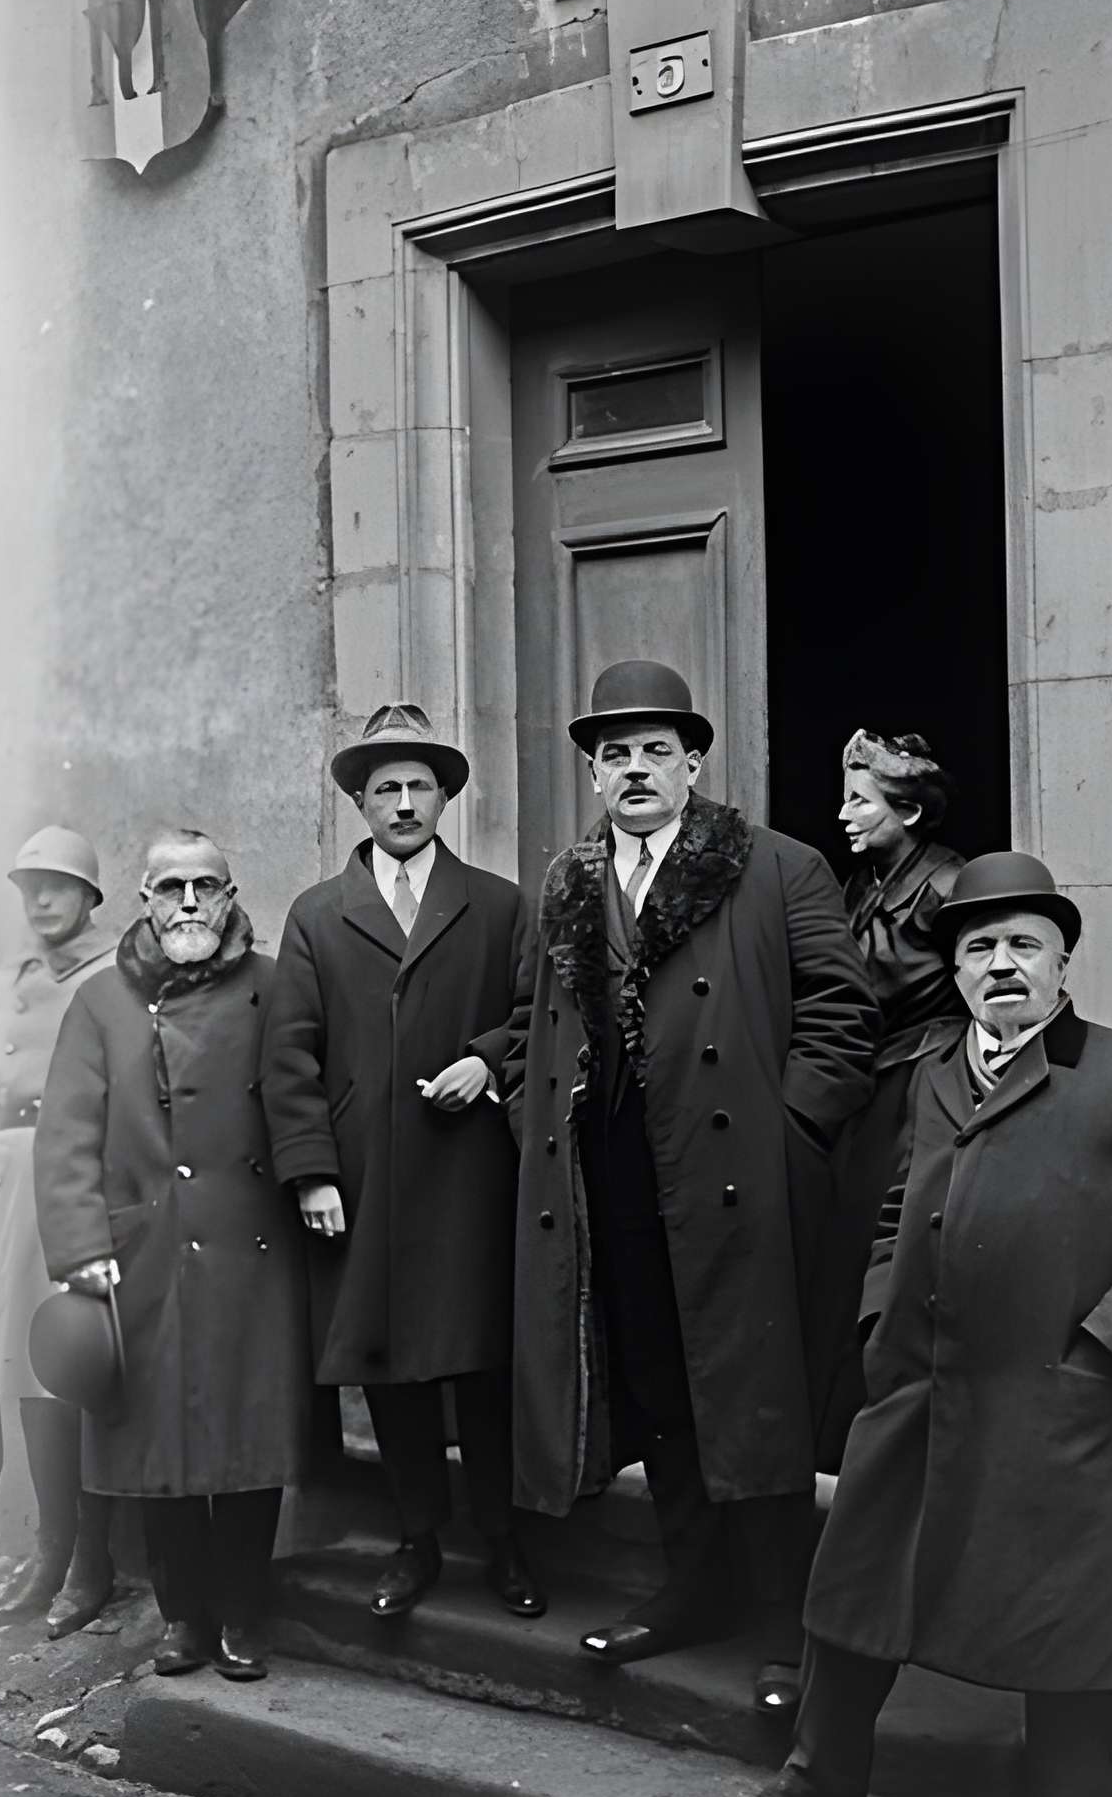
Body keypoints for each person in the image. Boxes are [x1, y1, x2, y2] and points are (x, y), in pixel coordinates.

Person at [711, 853, 1112, 1797]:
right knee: (853, 1598)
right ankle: (817, 1782)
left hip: (1063, 1410)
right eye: (978, 948)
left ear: (1060, 964)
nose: (1000, 965)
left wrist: (1100, 1356)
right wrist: (875, 1321)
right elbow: (902, 1202)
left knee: (1067, 1651)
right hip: (923, 1394)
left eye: (1022, 946)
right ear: (954, 971)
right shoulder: (938, 1073)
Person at [505, 660, 880, 1719]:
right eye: (614, 753)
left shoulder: (776, 865)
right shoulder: (569, 882)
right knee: (659, 1386)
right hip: (611, 1167)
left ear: (693, 762)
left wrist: (786, 1134)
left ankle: (779, 1622)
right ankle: (690, 1586)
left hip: (734, 1177)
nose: (635, 769)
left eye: (654, 750)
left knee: (751, 1394)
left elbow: (843, 1018)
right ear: (592, 771)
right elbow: (538, 1021)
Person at [260, 704, 542, 1622]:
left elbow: (541, 1013)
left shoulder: (498, 904)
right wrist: (311, 1174)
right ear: (361, 803)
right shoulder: (317, 915)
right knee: (390, 1369)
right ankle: (417, 1538)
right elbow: (288, 1056)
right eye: (388, 788)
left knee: (482, 1366)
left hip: (470, 1177)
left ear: (445, 798)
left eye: (422, 785)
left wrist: (488, 1059)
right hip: (366, 1181)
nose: (406, 802)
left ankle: (504, 1542)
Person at [34, 829, 313, 1681]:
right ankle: (181, 1616)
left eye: (206, 887)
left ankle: (242, 1614)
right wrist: (82, 1246)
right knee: (160, 1449)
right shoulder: (102, 1002)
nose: (188, 903)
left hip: (251, 1244)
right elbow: (67, 1135)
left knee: (248, 1438)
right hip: (144, 1251)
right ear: (145, 901)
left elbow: (307, 1098)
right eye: (170, 889)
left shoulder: (273, 986)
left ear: (232, 898)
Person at [0, 826, 118, 1635]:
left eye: (57, 885)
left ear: (88, 896)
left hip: (63, 1182)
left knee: (59, 1376)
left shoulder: (110, 973)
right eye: (27, 886)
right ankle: (47, 1547)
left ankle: (80, 1554)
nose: (40, 901)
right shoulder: (9, 975)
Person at [812, 730, 967, 1463]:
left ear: (906, 811)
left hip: (927, 1085)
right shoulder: (858, 887)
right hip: (871, 1084)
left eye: (859, 801)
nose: (843, 815)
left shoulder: (948, 885)